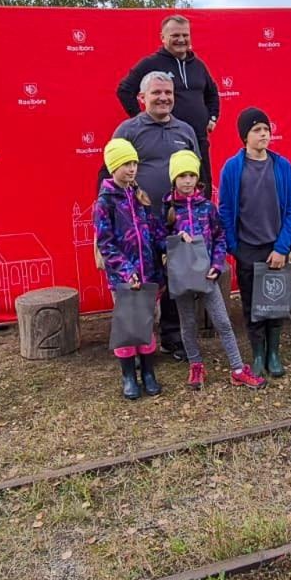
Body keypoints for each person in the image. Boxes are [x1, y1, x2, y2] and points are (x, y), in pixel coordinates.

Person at [113, 70, 200, 358]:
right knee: (141, 281)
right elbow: (110, 176)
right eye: (156, 93)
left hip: (179, 223)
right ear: (142, 98)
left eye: (168, 93)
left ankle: (174, 338)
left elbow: (198, 175)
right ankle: (137, 347)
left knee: (179, 281)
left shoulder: (186, 131)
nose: (163, 98)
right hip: (138, 226)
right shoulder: (128, 131)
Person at [163, 150, 266, 390]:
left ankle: (238, 368)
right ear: (174, 179)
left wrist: (217, 265)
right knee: (188, 323)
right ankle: (196, 365)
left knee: (222, 321)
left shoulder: (207, 207)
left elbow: (220, 238)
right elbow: (158, 239)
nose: (187, 181)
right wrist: (175, 239)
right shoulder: (166, 209)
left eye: (191, 175)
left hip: (206, 273)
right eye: (182, 176)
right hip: (181, 275)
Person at [218, 107, 291, 378]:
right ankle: (257, 353)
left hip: (275, 246)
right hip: (247, 248)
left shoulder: (282, 166)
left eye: (266, 129)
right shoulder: (232, 168)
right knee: (252, 304)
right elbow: (226, 210)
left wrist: (281, 247)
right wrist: (234, 246)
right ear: (245, 136)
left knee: (276, 302)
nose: (264, 134)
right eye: (257, 130)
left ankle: (273, 353)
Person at [94, 138, 166, 401]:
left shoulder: (139, 194)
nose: (132, 168)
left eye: (134, 162)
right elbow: (106, 242)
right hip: (125, 279)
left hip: (148, 274)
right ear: (113, 167)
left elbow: (154, 227)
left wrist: (169, 245)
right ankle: (128, 375)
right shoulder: (105, 202)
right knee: (128, 326)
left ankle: (148, 372)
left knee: (147, 324)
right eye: (126, 164)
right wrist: (126, 271)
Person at [117, 14, 221, 193]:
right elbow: (125, 90)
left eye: (185, 35)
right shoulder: (151, 63)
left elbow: (212, 93)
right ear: (163, 38)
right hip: (166, 141)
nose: (181, 39)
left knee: (202, 190)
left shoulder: (198, 65)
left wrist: (212, 116)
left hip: (198, 139)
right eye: (175, 35)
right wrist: (142, 120)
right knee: (166, 190)